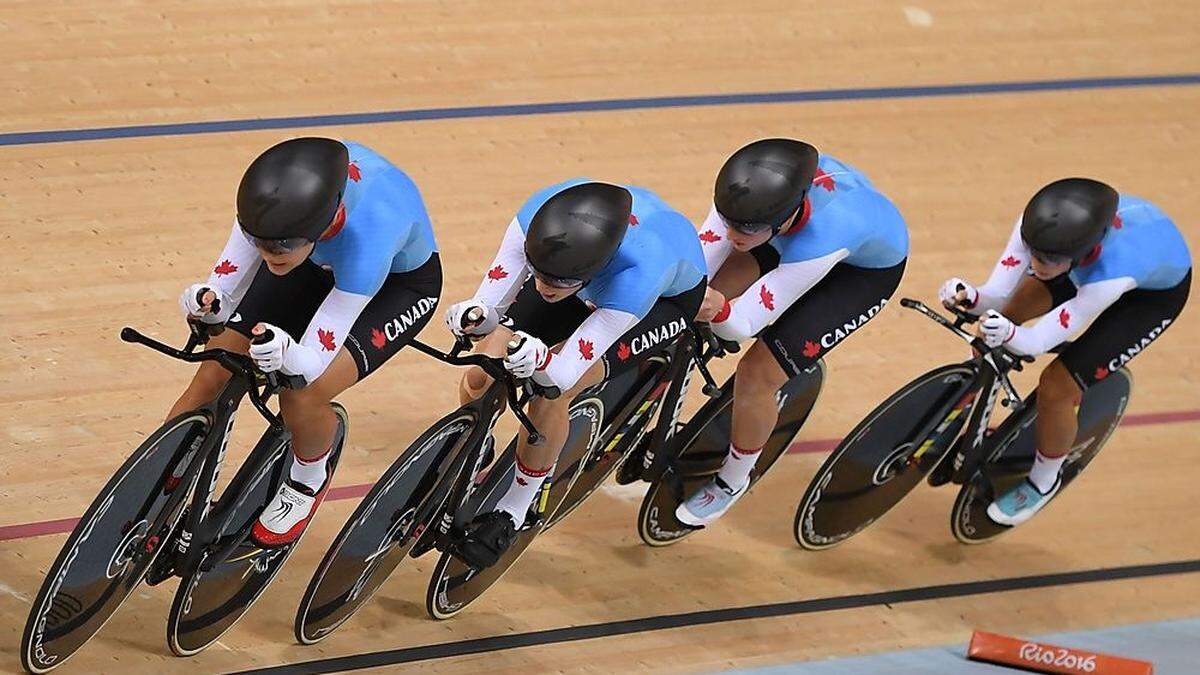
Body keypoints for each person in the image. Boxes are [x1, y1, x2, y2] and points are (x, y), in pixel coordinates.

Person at [171, 137, 442, 547]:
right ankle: (161, 476)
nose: (266, 252)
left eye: (277, 246)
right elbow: (225, 286)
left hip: (394, 287)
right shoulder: (271, 211)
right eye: (258, 241)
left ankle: (307, 479)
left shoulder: (368, 238)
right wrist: (208, 304)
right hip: (311, 260)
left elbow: (312, 358)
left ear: (320, 226)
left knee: (303, 392)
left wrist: (287, 353)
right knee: (216, 367)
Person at [443, 179, 707, 567]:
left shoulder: (638, 274)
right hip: (576, 267)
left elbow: (560, 375)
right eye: (540, 275)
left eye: (559, 282)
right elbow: (490, 306)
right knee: (485, 373)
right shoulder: (535, 223)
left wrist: (543, 360)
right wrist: (475, 318)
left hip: (659, 303)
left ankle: (517, 505)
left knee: (550, 393)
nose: (545, 288)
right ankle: (480, 447)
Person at [677, 138, 910, 527]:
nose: (733, 235)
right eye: (729, 222)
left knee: (756, 374)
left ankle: (733, 480)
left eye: (744, 230)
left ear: (784, 218)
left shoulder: (824, 234)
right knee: (694, 295)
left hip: (858, 275)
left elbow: (743, 323)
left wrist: (718, 308)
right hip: (782, 234)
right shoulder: (741, 201)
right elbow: (697, 268)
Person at [939, 177, 1190, 526]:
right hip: (1082, 266)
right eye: (1034, 253)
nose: (1037, 263)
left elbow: (1039, 339)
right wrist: (971, 297)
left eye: (1049, 259)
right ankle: (956, 412)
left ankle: (1044, 481)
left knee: (1056, 386)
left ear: (1085, 252)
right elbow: (994, 296)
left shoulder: (1109, 275)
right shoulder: (1037, 230)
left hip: (1147, 300)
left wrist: (1013, 334)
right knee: (1002, 319)